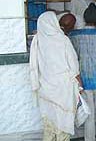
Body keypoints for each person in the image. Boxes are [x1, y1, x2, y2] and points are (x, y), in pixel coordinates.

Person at [29, 11, 81, 141]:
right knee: (63, 126)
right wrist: (79, 83)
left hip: (45, 88)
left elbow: (34, 64)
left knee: (49, 124)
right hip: (63, 89)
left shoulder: (37, 40)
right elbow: (73, 65)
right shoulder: (63, 39)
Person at [69, 3, 96, 141]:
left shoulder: (75, 36)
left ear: (84, 19)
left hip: (85, 80)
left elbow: (73, 55)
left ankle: (89, 139)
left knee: (89, 114)